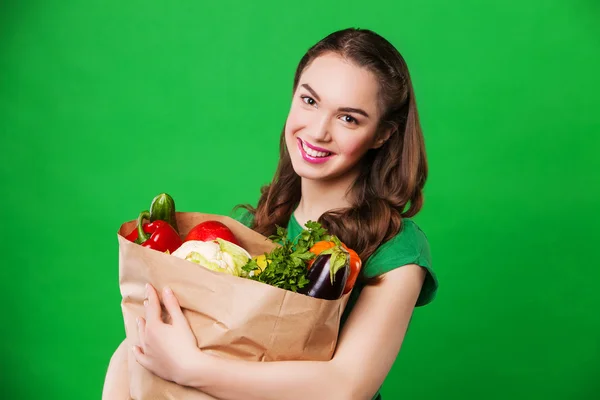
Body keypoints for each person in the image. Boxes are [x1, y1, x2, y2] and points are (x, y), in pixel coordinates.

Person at [102, 27, 438, 400]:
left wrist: (191, 368)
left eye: (349, 119)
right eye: (310, 101)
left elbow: (346, 387)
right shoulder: (251, 229)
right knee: (126, 357)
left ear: (382, 135)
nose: (319, 131)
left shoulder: (397, 248)